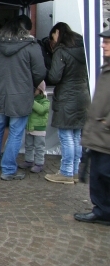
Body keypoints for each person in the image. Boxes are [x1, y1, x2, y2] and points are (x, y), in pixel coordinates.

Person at [0, 18, 47, 180]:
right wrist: (30, 86)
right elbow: (40, 72)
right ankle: (8, 169)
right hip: (21, 95)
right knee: (15, 132)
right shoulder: (31, 47)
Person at [45, 22, 90, 184]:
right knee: (77, 136)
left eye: (53, 37)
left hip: (66, 97)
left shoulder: (61, 51)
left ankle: (66, 172)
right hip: (83, 97)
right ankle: (76, 171)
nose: (52, 41)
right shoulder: (84, 48)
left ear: (58, 32)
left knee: (66, 136)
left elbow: (55, 77)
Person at [74, 29, 110, 225]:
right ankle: (102, 211)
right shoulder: (106, 68)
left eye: (107, 42)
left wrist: (106, 122)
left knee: (104, 174)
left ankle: (103, 211)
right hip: (99, 134)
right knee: (98, 175)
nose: (103, 45)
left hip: (105, 134)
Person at [18, 81, 50, 173]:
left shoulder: (45, 101)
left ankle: (39, 164)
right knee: (28, 146)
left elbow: (42, 110)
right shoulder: (32, 100)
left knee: (39, 147)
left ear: (40, 90)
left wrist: (30, 101)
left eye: (34, 90)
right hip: (29, 127)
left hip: (39, 129)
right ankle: (29, 160)